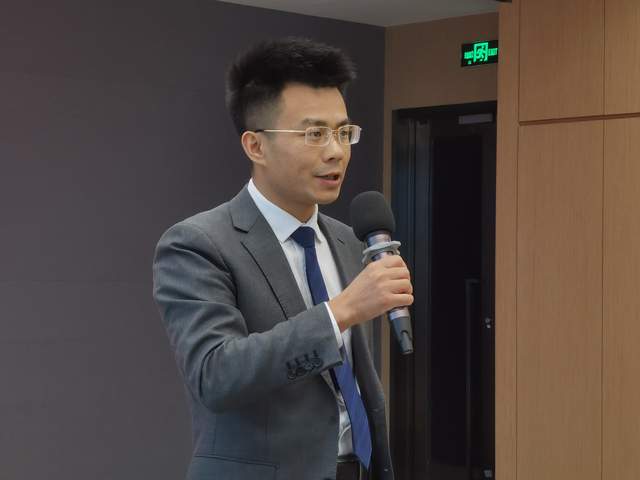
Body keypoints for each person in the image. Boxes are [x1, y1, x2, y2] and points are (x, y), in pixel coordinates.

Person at [152, 37, 413, 480]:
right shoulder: (197, 244)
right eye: (314, 134)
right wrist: (340, 311)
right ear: (255, 145)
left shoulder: (349, 241)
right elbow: (215, 375)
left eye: (343, 132)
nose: (336, 151)